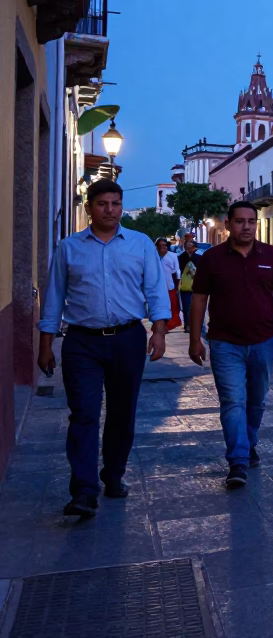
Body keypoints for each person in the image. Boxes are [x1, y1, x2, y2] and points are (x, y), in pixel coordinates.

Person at [36, 180, 171, 517]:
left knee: (122, 413)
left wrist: (159, 331)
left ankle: (113, 474)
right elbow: (53, 298)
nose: (110, 210)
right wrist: (45, 344)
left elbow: (155, 290)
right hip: (82, 341)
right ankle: (83, 491)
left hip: (127, 338)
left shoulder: (140, 244)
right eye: (102, 204)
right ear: (89, 208)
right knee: (83, 414)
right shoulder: (69, 248)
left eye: (115, 204)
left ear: (121, 206)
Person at [188, 201, 273, 489]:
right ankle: (237, 460)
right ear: (228, 225)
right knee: (233, 401)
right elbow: (199, 299)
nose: (246, 227)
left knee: (256, 401)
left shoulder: (270, 255)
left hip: (263, 342)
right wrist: (194, 339)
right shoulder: (212, 259)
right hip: (225, 344)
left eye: (251, 222)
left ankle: (248, 442)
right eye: (240, 222)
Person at [177, 236, 204, 334]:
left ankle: (198, 325)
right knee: (186, 307)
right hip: (185, 286)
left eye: (190, 245)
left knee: (197, 307)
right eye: (187, 245)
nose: (189, 247)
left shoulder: (199, 257)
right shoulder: (180, 257)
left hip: (197, 286)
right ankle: (187, 325)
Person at [156, 238, 182, 330]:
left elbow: (177, 272)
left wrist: (177, 285)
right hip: (157, 286)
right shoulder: (154, 256)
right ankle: (160, 325)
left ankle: (170, 324)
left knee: (172, 305)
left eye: (165, 245)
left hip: (170, 285)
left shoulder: (173, 256)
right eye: (160, 245)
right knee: (160, 306)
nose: (163, 247)